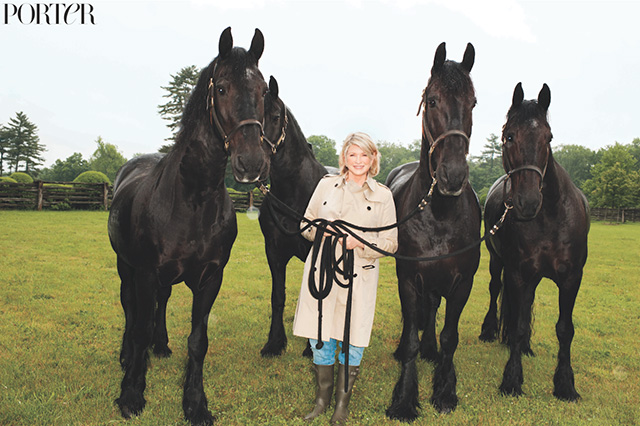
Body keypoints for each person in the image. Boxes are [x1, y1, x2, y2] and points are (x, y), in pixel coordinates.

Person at [293, 132, 398, 424]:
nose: (358, 161)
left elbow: (390, 243)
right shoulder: (326, 185)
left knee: (352, 341)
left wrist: (361, 242)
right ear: (344, 158)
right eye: (353, 155)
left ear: (373, 158)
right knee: (321, 338)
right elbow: (305, 224)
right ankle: (321, 400)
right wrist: (320, 232)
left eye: (364, 155)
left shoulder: (383, 196)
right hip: (322, 272)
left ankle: (342, 404)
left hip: (359, 278)